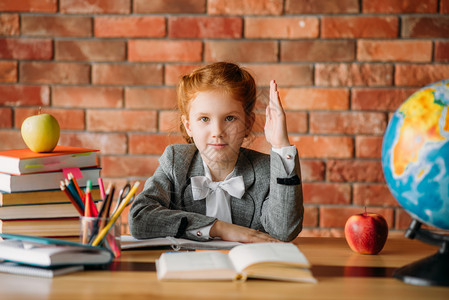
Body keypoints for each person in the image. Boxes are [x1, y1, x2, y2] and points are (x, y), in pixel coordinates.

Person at [128, 62, 303, 243]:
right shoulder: (175, 162)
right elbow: (139, 218)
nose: (217, 131)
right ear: (189, 126)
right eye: (204, 119)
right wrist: (219, 228)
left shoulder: (266, 170)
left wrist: (281, 145)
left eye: (230, 118)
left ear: (247, 124)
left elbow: (284, 231)